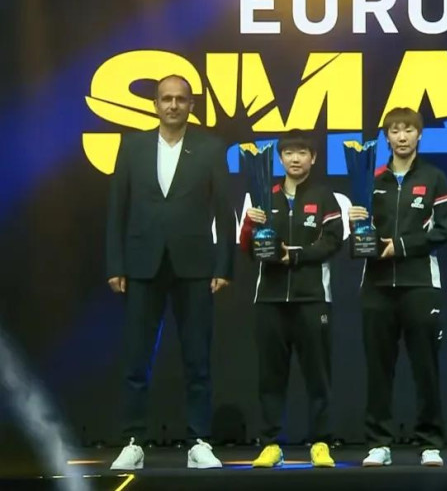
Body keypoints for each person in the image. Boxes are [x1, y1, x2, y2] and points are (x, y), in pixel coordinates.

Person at [106, 74, 235, 470]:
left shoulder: (211, 148)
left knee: (198, 359)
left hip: (195, 265)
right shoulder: (132, 146)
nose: (173, 105)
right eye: (166, 99)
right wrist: (116, 264)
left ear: (191, 105)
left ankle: (199, 441)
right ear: (156, 104)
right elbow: (117, 209)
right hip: (141, 264)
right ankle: (133, 441)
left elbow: (224, 211)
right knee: (136, 359)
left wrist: (224, 265)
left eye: (181, 99)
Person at [348, 107, 447, 467]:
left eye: (409, 130)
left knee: (426, 367)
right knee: (379, 369)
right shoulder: (371, 179)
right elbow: (360, 236)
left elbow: (443, 231)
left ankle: (430, 442)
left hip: (420, 283)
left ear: (419, 135)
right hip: (376, 285)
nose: (402, 136)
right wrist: (357, 224)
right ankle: (379, 442)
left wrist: (400, 247)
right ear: (387, 137)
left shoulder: (434, 178)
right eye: (395, 130)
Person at [239, 129, 343, 469]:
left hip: (312, 298)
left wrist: (294, 256)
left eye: (302, 153)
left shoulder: (324, 197)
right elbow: (247, 247)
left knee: (318, 375)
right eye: (288, 153)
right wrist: (250, 226)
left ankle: (321, 443)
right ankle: (271, 444)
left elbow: (333, 241)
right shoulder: (264, 196)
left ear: (313, 158)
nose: (295, 159)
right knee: (270, 377)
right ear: (280, 159)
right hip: (269, 300)